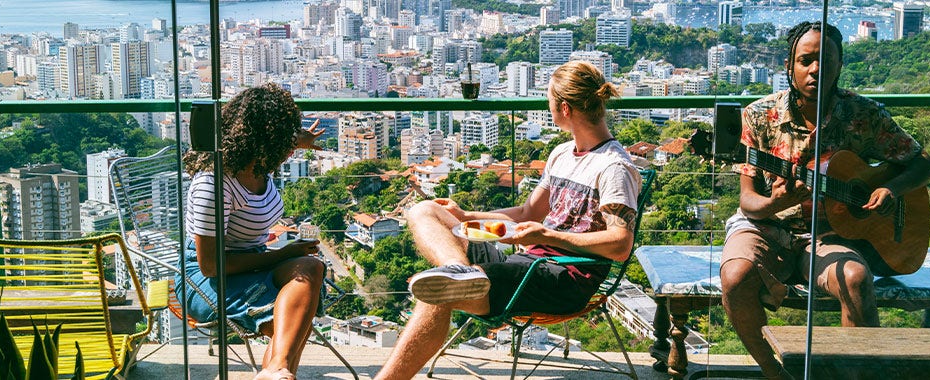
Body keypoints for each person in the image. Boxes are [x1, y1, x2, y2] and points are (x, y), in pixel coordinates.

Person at [374, 60, 642, 380]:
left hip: (563, 278)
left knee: (439, 292)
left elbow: (620, 244)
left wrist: (549, 236)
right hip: (528, 263)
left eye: (549, 102)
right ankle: (458, 270)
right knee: (425, 210)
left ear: (565, 109)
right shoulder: (562, 154)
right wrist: (466, 216)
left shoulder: (613, 167)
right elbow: (528, 214)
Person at [718, 21, 930, 380]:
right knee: (735, 275)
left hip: (830, 234)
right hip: (766, 226)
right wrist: (774, 203)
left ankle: (853, 375)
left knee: (855, 278)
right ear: (790, 67)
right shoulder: (758, 116)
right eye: (806, 60)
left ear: (840, 66)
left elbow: (924, 163)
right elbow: (748, 203)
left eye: (826, 60)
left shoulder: (863, 115)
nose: (816, 69)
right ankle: (776, 373)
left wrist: (890, 190)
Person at [177, 83, 327, 380]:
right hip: (207, 281)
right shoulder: (215, 183)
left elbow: (282, 137)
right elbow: (211, 266)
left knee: (311, 268)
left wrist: (301, 139)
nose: (288, 149)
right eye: (283, 141)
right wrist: (281, 255)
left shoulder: (259, 161)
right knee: (293, 322)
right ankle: (279, 369)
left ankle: (275, 370)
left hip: (252, 262)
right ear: (262, 140)